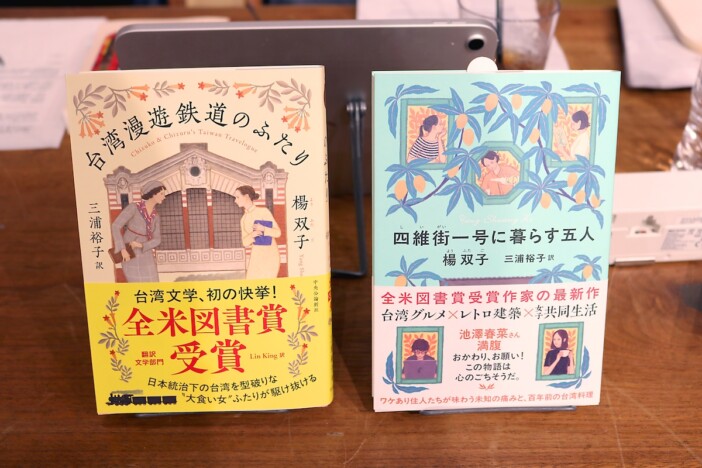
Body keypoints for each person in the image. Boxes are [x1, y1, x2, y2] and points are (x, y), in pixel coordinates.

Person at [111, 180, 166, 283]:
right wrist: (122, 249)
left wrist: (141, 245)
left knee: (153, 282)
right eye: (161, 194)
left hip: (146, 252)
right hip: (129, 252)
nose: (164, 197)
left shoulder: (156, 216)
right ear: (153, 193)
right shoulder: (134, 208)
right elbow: (115, 226)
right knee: (136, 284)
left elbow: (157, 239)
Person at [234, 185, 281, 279]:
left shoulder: (263, 211)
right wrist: (252, 235)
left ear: (246, 196)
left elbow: (278, 233)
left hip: (270, 255)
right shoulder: (243, 219)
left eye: (238, 197)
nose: (235, 200)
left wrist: (264, 229)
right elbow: (245, 243)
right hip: (256, 255)